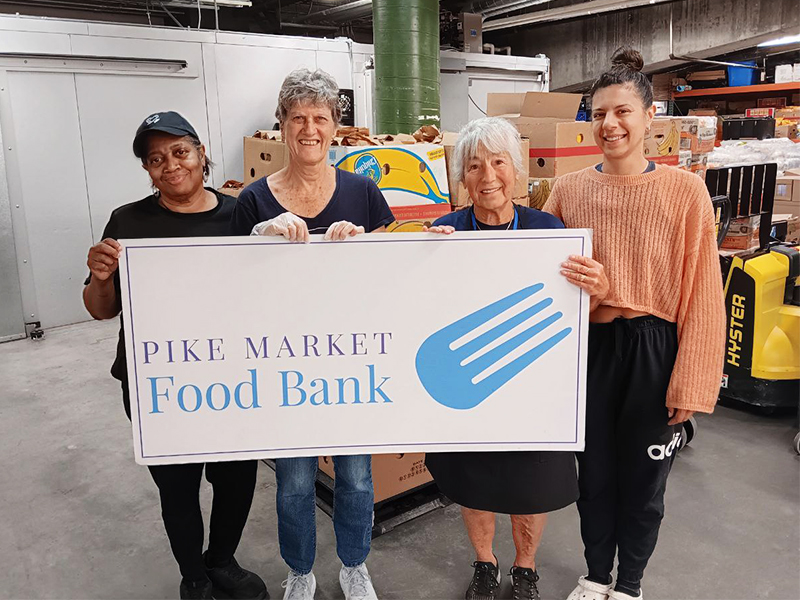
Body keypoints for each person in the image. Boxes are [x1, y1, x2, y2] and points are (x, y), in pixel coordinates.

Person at [543, 47, 726, 600]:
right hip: (592, 347)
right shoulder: (569, 190)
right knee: (593, 476)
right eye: (598, 114)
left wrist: (691, 381)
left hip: (655, 347)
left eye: (622, 112)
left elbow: (703, 293)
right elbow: (538, 277)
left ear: (650, 118)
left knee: (645, 483)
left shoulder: (685, 191)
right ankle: (596, 574)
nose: (609, 124)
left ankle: (630, 584)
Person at [83, 111, 268, 600]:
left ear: (201, 154)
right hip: (155, 381)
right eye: (156, 159)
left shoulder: (241, 215)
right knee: (178, 486)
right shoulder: (128, 221)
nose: (170, 165)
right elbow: (102, 311)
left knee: (235, 480)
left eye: (179, 152)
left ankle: (222, 560)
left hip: (234, 378)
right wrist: (102, 275)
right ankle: (193, 575)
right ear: (148, 169)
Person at [423, 116, 609, 600]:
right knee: (474, 480)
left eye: (499, 162)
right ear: (462, 178)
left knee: (530, 484)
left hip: (533, 388)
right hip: (471, 384)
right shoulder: (444, 232)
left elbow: (574, 309)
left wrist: (596, 288)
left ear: (517, 170)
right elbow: (417, 307)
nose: (488, 176)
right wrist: (421, 260)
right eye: (475, 165)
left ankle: (525, 569)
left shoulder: (549, 231)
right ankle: (485, 564)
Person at [230, 69, 395, 600]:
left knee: (356, 479)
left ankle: (354, 565)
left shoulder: (363, 193)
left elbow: (395, 277)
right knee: (295, 483)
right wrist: (258, 239)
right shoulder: (255, 201)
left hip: (351, 362)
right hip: (284, 364)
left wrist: (366, 243)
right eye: (297, 117)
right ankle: (300, 570)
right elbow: (229, 288)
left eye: (320, 117)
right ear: (280, 126)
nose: (309, 128)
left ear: (335, 127)